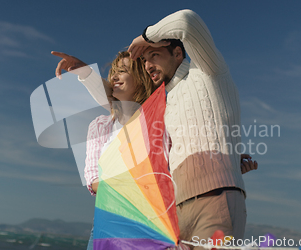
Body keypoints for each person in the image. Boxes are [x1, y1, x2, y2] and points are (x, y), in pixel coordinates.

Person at [127, 9, 254, 248]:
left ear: (177, 53)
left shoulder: (207, 71)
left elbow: (187, 20)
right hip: (177, 211)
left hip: (215, 202)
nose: (147, 65)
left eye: (153, 55)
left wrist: (146, 37)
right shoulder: (165, 102)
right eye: (144, 60)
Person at [52, 50, 160, 249]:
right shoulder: (100, 126)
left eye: (124, 71)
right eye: (114, 72)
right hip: (107, 224)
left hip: (149, 225)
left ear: (142, 79)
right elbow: (93, 180)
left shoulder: (156, 123)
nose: (115, 76)